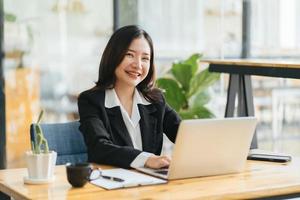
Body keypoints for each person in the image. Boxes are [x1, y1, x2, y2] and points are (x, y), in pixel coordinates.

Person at [78, 25, 181, 169]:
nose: (138, 65)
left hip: (153, 185)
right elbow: (99, 148)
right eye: (129, 55)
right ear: (113, 56)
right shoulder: (91, 101)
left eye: (145, 58)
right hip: (112, 184)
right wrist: (147, 159)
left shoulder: (155, 100)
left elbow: (184, 134)